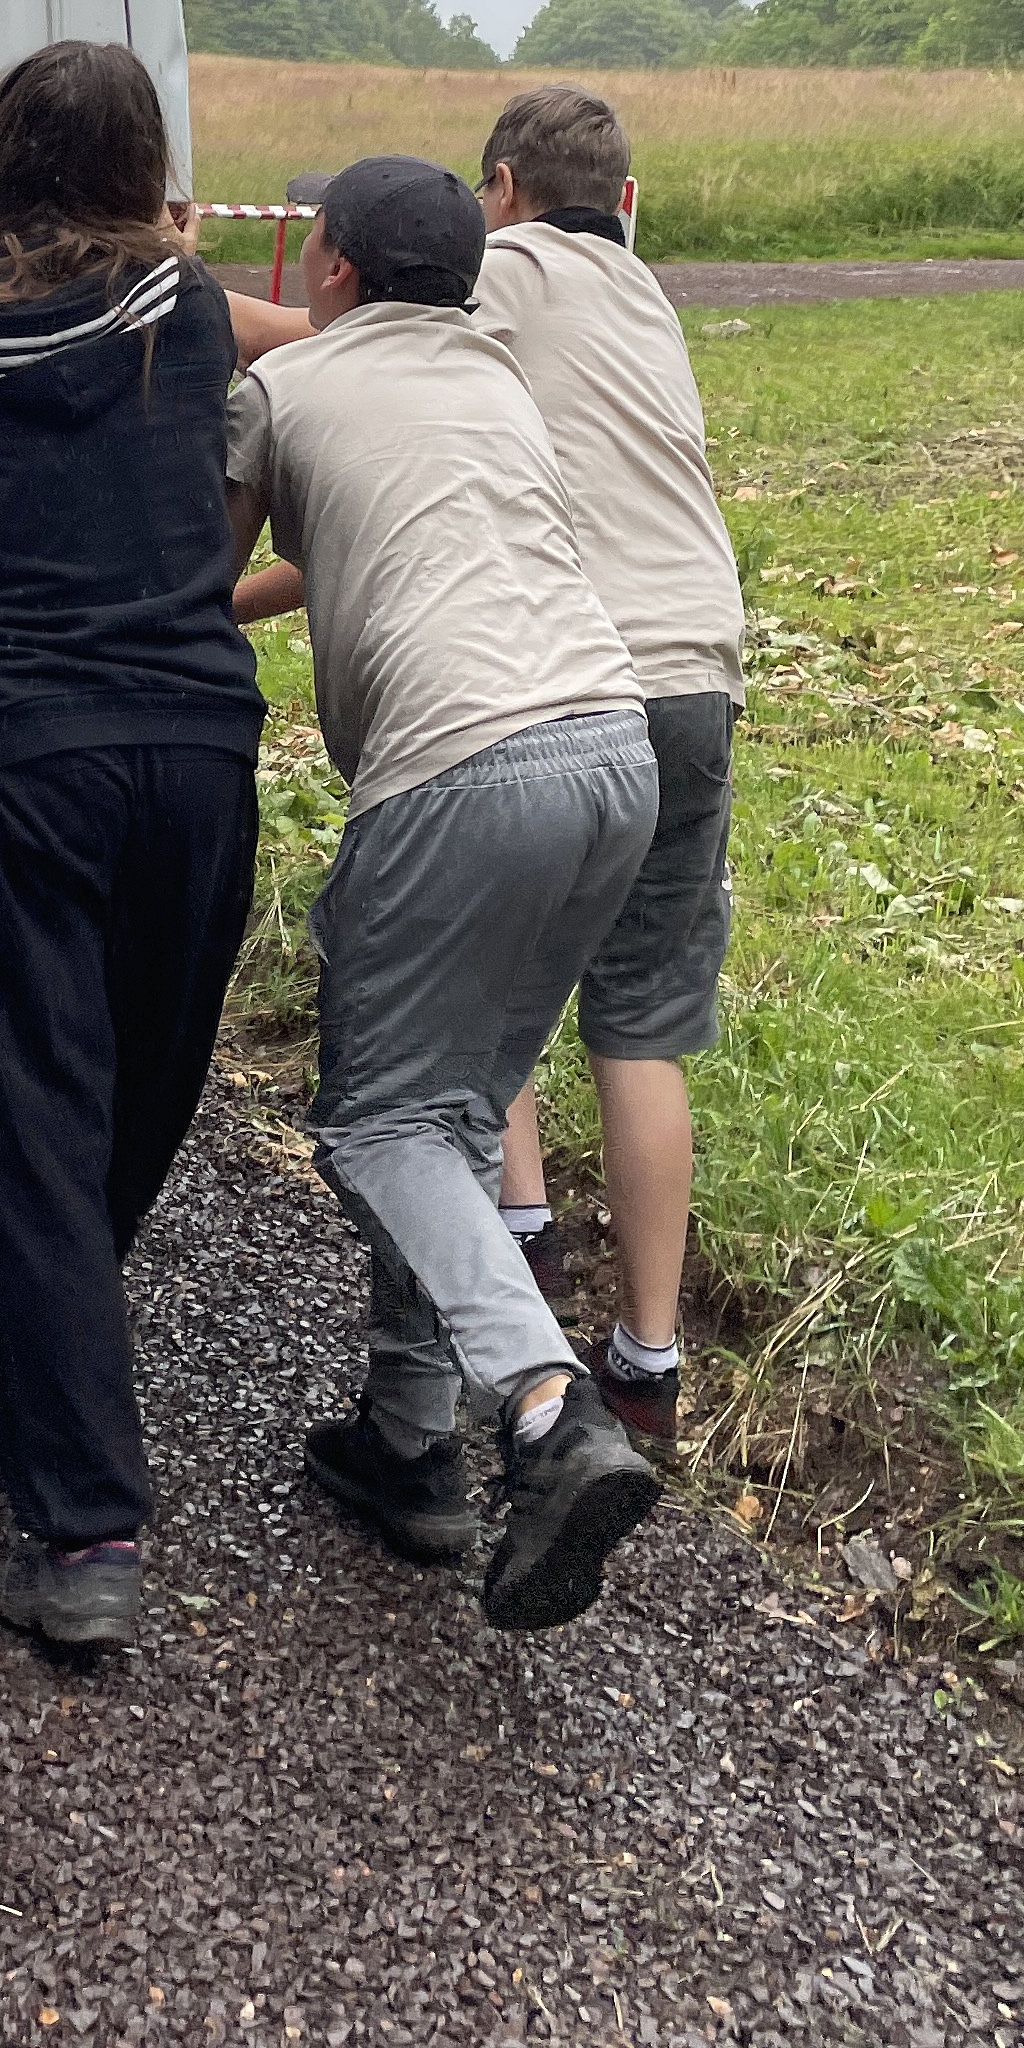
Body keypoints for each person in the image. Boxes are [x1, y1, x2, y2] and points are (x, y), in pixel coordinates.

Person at [0, 44, 262, 1652]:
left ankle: (85, 1525)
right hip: (192, 745)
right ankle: (62, 1381)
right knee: (139, 1093)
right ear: (140, 161)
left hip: (8, 755)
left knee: (37, 1117)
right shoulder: (191, 309)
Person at [223, 157, 666, 1630]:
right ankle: (409, 1444)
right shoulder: (496, 380)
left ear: (334, 268)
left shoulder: (285, 393)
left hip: (459, 769)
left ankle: (544, 1407)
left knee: (376, 1123)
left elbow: (196, 580)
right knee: (456, 1115)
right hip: (613, 750)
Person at [469, 87, 744, 1450]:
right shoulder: (646, 293)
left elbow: (371, 347)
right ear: (624, 199)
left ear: (502, 187)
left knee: (502, 958)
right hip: (701, 668)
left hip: (577, 670)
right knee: (640, 1020)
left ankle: (521, 1245)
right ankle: (649, 1360)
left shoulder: (506, 268)